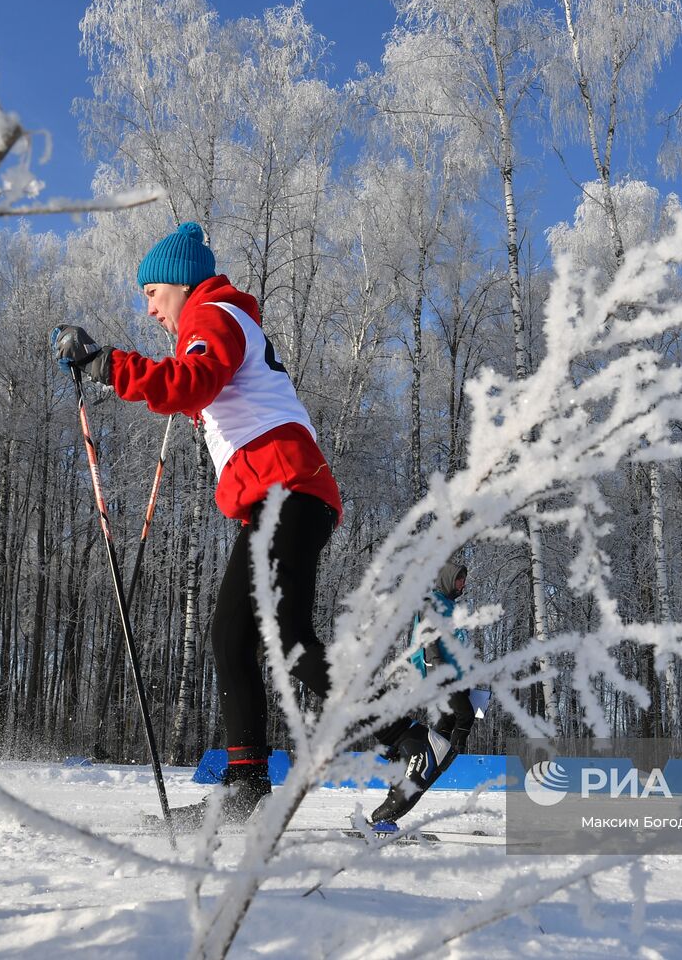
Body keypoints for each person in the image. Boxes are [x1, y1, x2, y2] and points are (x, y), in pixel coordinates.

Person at [53, 221, 341, 828]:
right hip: (289, 493)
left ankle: (398, 732)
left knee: (257, 635)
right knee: (252, 637)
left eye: (152, 292)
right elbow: (202, 389)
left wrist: (106, 364)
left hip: (287, 490)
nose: (150, 308)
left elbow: (190, 383)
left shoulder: (211, 315)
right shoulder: (223, 321)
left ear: (183, 285)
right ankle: (249, 782)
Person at [369, 560, 488, 831]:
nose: (463, 584)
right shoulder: (432, 602)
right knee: (465, 715)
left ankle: (422, 769)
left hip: (456, 676)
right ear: (447, 579)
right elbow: (429, 641)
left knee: (448, 722)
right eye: (459, 579)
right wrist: (437, 668)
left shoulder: (451, 607)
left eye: (464, 579)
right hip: (440, 674)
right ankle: (438, 761)